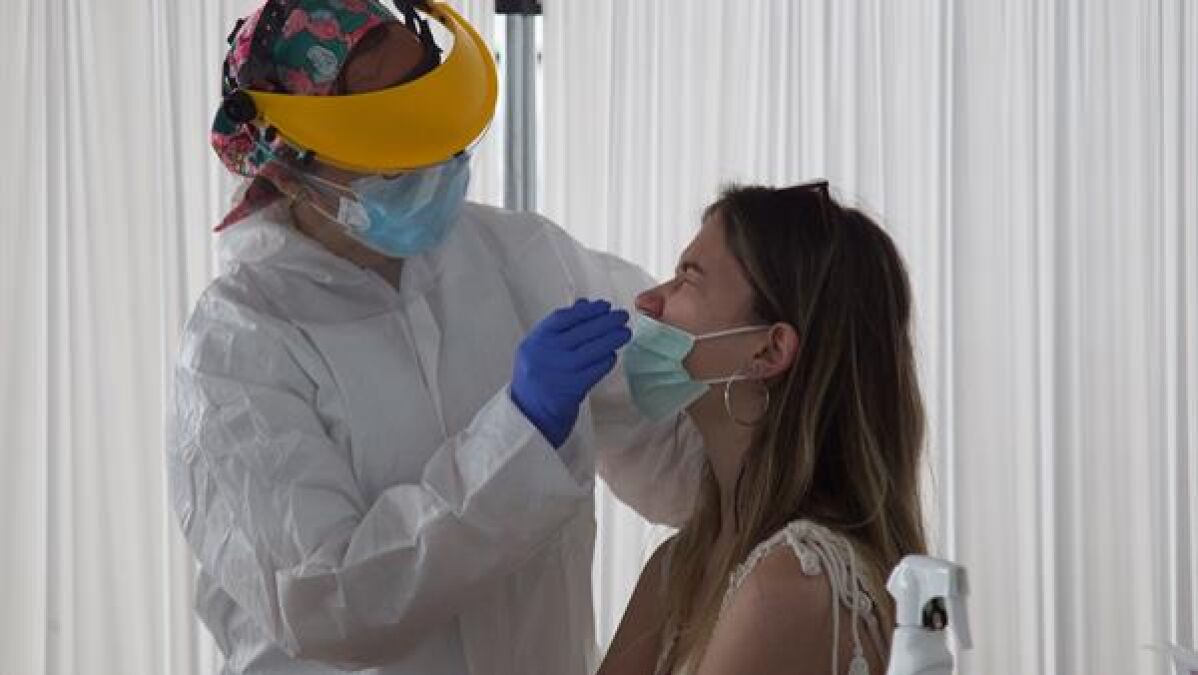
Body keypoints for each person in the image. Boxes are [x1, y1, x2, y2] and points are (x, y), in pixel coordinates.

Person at [167, 2, 701, 673]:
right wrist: (519, 434)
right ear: (287, 166)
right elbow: (332, 602)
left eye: (426, 110)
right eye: (387, 134)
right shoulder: (236, 348)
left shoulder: (523, 256)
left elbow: (677, 461)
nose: (427, 155)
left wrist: (777, 458)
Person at [598, 183, 928, 675]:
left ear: (769, 350)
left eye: (688, 279)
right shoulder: (680, 564)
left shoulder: (791, 581)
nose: (647, 301)